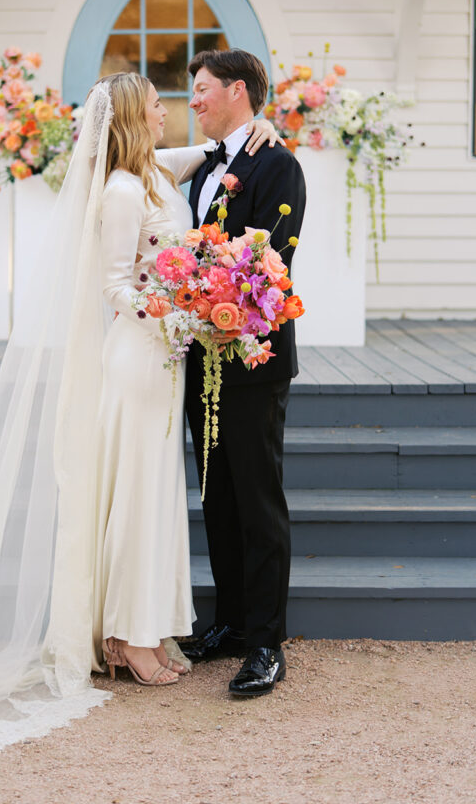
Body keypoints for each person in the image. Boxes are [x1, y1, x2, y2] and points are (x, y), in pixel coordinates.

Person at [0, 71, 281, 771]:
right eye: (155, 105)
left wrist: (261, 128)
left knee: (152, 493)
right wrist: (172, 306)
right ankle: (126, 638)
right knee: (132, 495)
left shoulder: (158, 171)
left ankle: (142, 629)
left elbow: (217, 153)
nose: (167, 112)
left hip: (166, 360)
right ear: (133, 116)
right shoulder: (121, 191)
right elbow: (115, 284)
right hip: (138, 355)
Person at [180, 49, 306, 698]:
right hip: (201, 356)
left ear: (236, 91)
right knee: (217, 499)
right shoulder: (203, 166)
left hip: (253, 359)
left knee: (258, 501)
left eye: (202, 89)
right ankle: (230, 623)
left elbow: (268, 262)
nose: (193, 100)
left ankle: (265, 643)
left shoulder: (277, 163)